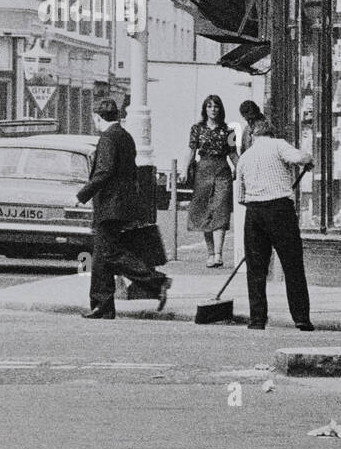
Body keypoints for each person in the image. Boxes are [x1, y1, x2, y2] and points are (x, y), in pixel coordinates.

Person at [77, 99, 170, 319]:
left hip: (110, 204)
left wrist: (82, 195)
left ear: (98, 117)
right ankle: (103, 305)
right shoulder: (125, 136)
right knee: (100, 256)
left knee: (109, 253)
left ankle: (157, 281)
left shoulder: (108, 137)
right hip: (121, 204)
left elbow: (104, 171)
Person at [235, 118, 313, 331]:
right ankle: (301, 318)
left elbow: (240, 196)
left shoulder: (245, 157)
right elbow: (299, 157)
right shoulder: (278, 144)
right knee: (292, 265)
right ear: (271, 132)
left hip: (254, 213)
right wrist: (308, 159)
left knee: (256, 269)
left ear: (252, 135)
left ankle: (257, 319)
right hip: (280, 210)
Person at [184, 94, 237, 267]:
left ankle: (219, 255)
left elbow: (233, 153)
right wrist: (185, 169)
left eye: (216, 106)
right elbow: (191, 151)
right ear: (204, 109)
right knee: (205, 211)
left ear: (220, 109)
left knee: (221, 209)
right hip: (203, 171)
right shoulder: (196, 128)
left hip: (222, 170)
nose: (212, 109)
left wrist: (240, 168)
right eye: (209, 106)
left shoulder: (229, 131)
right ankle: (210, 253)